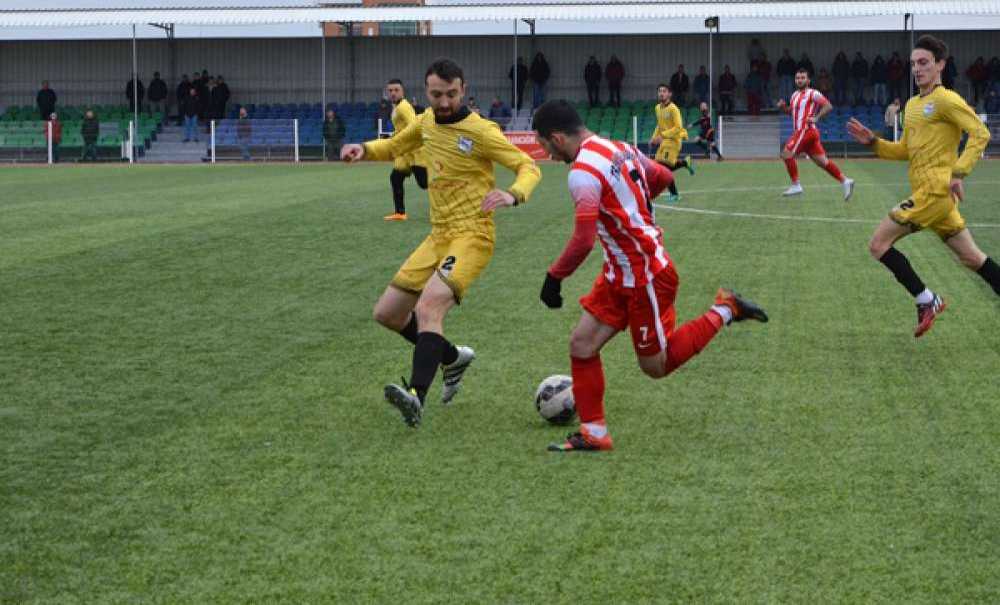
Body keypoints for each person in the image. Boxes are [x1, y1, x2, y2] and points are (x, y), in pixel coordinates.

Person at [530, 100, 768, 452]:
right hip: (618, 273)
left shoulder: (581, 171)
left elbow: (582, 240)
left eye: (546, 146)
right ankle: (594, 433)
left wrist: (554, 278)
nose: (548, 154)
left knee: (656, 366)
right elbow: (662, 176)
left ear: (558, 138)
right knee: (581, 344)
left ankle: (726, 308)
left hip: (646, 276)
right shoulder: (620, 147)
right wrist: (637, 207)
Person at [340, 58, 542, 428]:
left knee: (430, 305)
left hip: (473, 234)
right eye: (436, 94)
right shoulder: (426, 121)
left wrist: (515, 194)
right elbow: (397, 145)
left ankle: (416, 395)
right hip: (438, 235)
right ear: (426, 92)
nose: (444, 101)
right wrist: (364, 149)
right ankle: (451, 358)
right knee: (388, 313)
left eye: (451, 94)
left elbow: (529, 165)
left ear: (463, 89)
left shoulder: (481, 131)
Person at [847, 35, 997, 337]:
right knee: (972, 258)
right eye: (914, 63)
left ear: (940, 65)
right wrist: (875, 143)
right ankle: (928, 300)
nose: (917, 69)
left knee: (878, 244)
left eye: (924, 62)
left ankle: (927, 299)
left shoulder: (946, 99)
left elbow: (980, 134)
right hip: (931, 197)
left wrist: (959, 172)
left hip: (935, 193)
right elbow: (905, 150)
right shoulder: (913, 105)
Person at [776, 68, 854, 200]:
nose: (799, 80)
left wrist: (817, 117)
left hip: (806, 130)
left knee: (786, 153)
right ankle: (845, 181)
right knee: (823, 162)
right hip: (807, 134)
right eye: (797, 78)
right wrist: (783, 108)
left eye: (802, 78)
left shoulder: (813, 93)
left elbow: (828, 106)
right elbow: (792, 112)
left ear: (808, 80)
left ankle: (796, 185)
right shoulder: (794, 95)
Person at [382, 79, 428, 222]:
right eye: (390, 90)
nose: (393, 93)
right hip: (405, 153)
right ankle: (400, 213)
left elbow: (413, 127)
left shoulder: (404, 107)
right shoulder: (396, 107)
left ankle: (451, 186)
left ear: (403, 91)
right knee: (395, 178)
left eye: (396, 90)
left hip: (414, 151)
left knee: (424, 183)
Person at [649, 84, 693, 202]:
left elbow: (678, 127)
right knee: (660, 165)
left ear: (669, 94)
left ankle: (675, 194)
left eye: (664, 91)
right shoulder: (657, 108)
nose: (661, 93)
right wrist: (653, 138)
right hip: (665, 141)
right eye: (659, 91)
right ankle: (684, 163)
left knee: (663, 167)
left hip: (674, 140)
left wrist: (662, 136)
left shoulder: (674, 109)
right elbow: (659, 125)